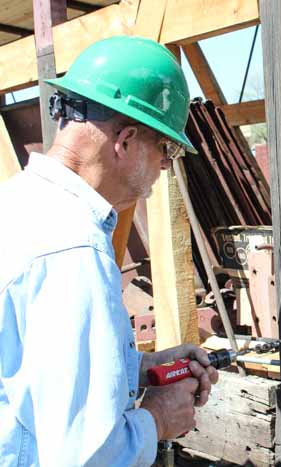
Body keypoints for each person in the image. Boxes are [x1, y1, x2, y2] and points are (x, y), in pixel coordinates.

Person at [0, 36, 218, 466]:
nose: (166, 165)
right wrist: (157, 417)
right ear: (126, 140)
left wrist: (138, 365)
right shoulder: (73, 251)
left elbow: (29, 366)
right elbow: (88, 455)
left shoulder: (18, 205)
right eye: (167, 148)